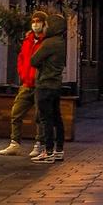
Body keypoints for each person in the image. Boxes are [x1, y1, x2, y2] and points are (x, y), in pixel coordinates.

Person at [0, 10, 48, 157]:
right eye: (33, 21)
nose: (35, 24)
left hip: (40, 84)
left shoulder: (46, 42)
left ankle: (39, 144)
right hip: (26, 84)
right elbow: (21, 58)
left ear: (44, 24)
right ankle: (15, 143)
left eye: (38, 21)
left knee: (40, 116)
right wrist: (22, 73)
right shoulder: (27, 40)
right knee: (16, 112)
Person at [29, 11, 66, 163]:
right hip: (56, 85)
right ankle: (59, 150)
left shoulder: (49, 43)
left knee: (46, 119)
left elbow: (34, 60)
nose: (44, 27)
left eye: (47, 25)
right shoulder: (61, 42)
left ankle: (48, 151)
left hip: (45, 84)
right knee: (57, 117)